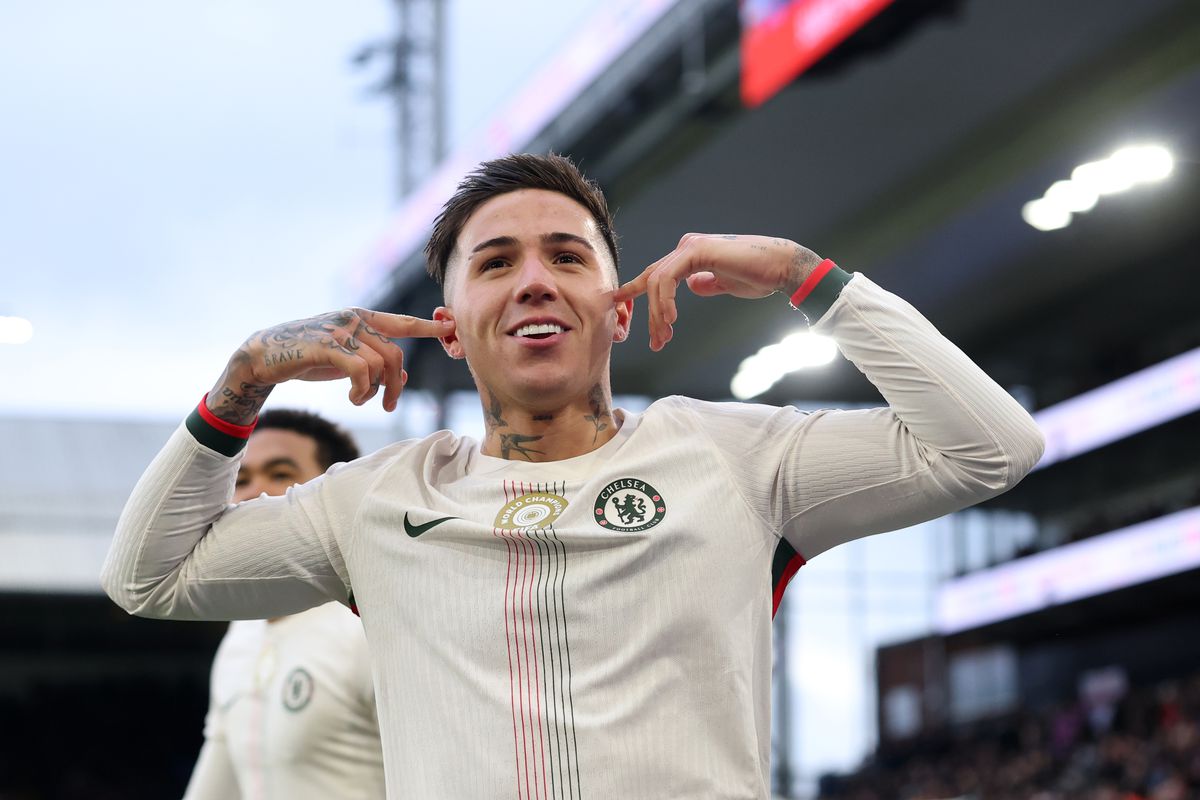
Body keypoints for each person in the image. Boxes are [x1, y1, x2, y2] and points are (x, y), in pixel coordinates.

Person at [103, 153, 1044, 799]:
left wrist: (810, 278)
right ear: (450, 327)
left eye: (566, 255)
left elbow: (992, 448)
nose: (534, 281)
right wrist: (242, 380)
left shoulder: (736, 459)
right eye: (496, 263)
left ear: (617, 309)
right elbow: (148, 578)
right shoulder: (375, 502)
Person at [180, 409, 385, 800]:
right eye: (241, 480)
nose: (255, 493)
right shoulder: (241, 636)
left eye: (279, 474)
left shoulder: (371, 631)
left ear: (337, 496)